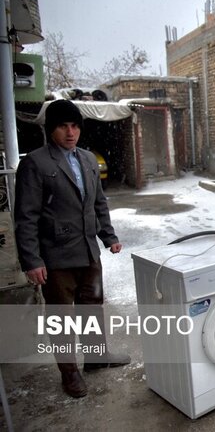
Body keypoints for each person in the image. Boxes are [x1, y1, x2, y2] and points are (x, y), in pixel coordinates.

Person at [14, 99, 130, 398]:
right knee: (61, 318)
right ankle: (69, 373)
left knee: (91, 308)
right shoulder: (36, 163)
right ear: (51, 129)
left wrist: (109, 236)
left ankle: (96, 357)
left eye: (75, 126)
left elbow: (98, 203)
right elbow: (26, 216)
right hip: (55, 256)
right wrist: (32, 260)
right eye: (63, 126)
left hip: (88, 251)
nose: (70, 132)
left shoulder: (88, 159)